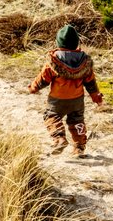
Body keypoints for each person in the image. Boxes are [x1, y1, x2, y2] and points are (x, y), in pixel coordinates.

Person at [28, 24, 103, 157]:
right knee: (77, 121)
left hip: (57, 100)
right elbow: (90, 81)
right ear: (76, 43)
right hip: (77, 100)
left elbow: (43, 78)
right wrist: (95, 95)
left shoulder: (54, 61)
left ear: (58, 43)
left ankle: (59, 139)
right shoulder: (84, 61)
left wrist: (34, 87)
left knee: (51, 116)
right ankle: (79, 148)